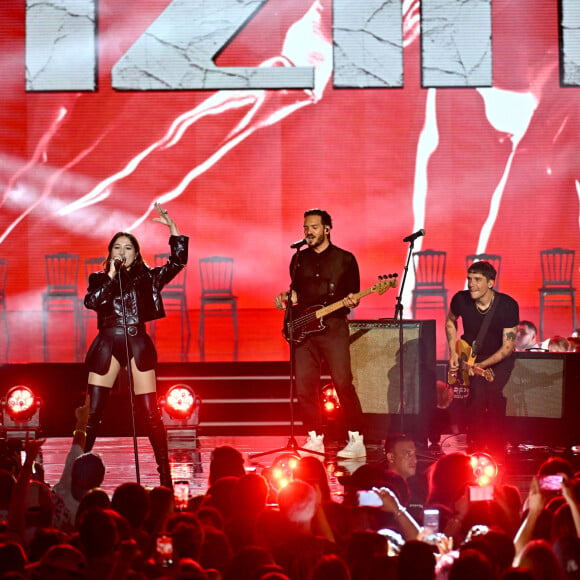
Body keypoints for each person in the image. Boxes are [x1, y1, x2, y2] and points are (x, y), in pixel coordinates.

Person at [82, 202, 188, 488]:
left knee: (150, 412)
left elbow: (177, 263)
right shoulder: (99, 279)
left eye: (128, 247)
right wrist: (112, 276)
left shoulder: (148, 278)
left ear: (136, 253)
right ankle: (75, 469)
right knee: (92, 413)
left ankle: (164, 473)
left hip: (136, 341)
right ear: (110, 252)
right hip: (107, 342)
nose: (122, 252)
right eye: (117, 247)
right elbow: (91, 302)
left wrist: (173, 230)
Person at [274, 208, 365, 459]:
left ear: (327, 229)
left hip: (333, 327)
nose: (308, 232)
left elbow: (353, 296)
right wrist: (286, 297)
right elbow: (296, 295)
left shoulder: (345, 259)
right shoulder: (298, 259)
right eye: (305, 228)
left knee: (343, 383)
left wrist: (352, 301)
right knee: (304, 386)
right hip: (304, 330)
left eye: (313, 227)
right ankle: (314, 438)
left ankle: (356, 439)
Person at [445, 260, 519, 454]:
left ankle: (496, 446)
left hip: (498, 359)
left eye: (477, 279)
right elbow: (450, 321)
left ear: (490, 282)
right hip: (469, 356)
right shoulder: (460, 299)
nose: (471, 284)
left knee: (492, 395)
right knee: (477, 397)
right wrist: (453, 351)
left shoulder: (507, 306)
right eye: (469, 279)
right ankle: (475, 445)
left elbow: (507, 347)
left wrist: (481, 365)